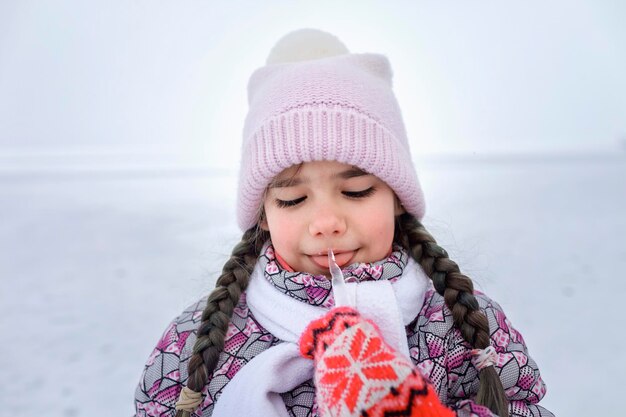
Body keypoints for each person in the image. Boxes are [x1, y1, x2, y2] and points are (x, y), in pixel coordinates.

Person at [134, 29, 553, 417]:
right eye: (292, 199)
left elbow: (522, 403)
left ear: (397, 199)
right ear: (264, 214)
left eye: (356, 192)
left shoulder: (458, 322)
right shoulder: (198, 340)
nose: (326, 222)